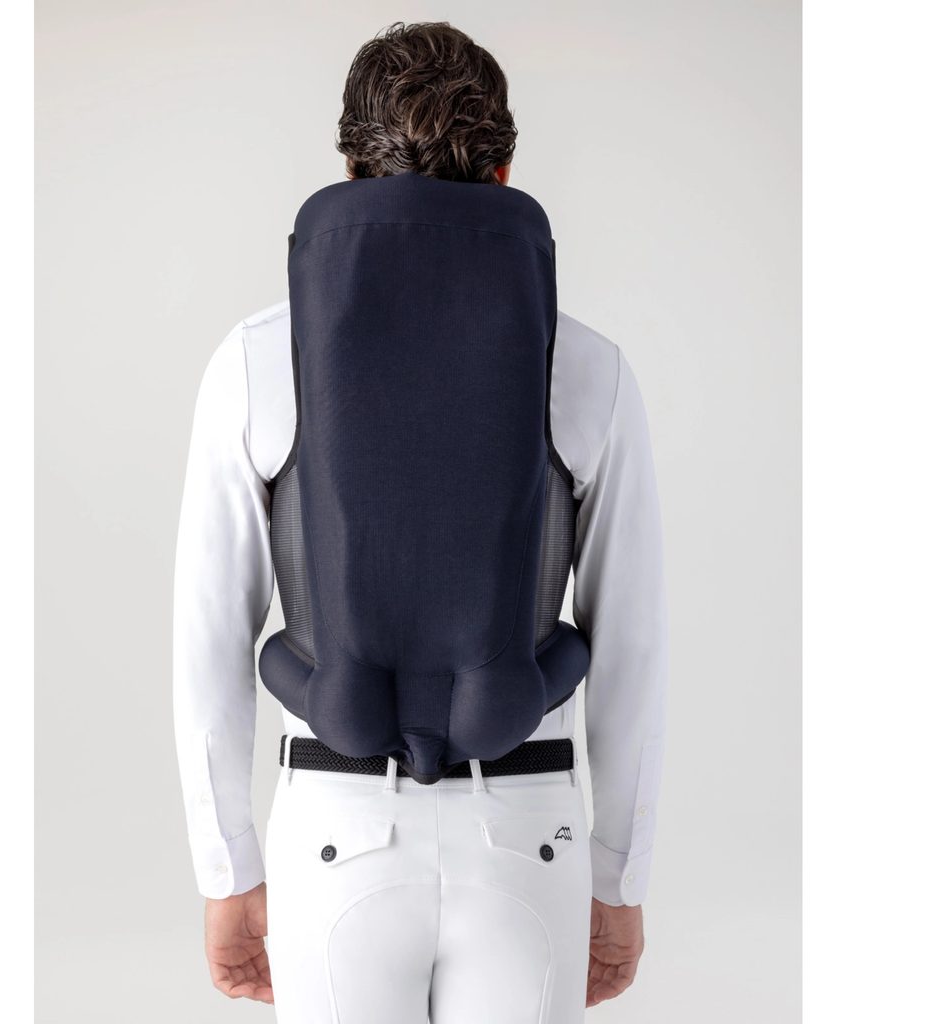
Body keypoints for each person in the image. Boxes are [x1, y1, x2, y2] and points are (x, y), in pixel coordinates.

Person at [173, 20, 667, 1022]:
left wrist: (227, 869)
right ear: (504, 173)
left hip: (333, 827)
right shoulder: (589, 370)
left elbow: (209, 638)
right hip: (526, 832)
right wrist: (619, 878)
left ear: (352, 168)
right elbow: (632, 648)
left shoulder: (257, 361)